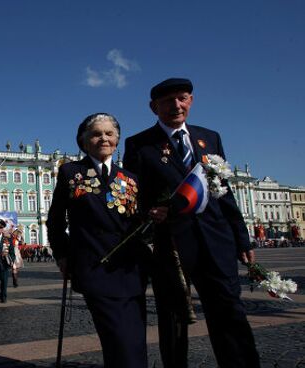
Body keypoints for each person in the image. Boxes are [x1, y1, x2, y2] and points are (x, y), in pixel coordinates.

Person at [123, 78, 260, 368]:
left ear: (191, 101)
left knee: (229, 311)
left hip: (216, 238)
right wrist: (150, 212)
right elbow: (132, 196)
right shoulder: (139, 145)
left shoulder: (209, 138)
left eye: (182, 98)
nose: (176, 105)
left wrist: (241, 237)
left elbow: (224, 192)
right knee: (173, 317)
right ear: (153, 107)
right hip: (170, 244)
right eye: (167, 101)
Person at [47, 113, 148, 367]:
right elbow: (55, 220)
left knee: (135, 338)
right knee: (117, 338)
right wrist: (62, 255)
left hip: (131, 269)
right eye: (96, 133)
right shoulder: (71, 172)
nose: (104, 138)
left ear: (117, 140)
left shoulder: (130, 178)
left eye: (109, 133)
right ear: (84, 140)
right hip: (95, 266)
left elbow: (139, 222)